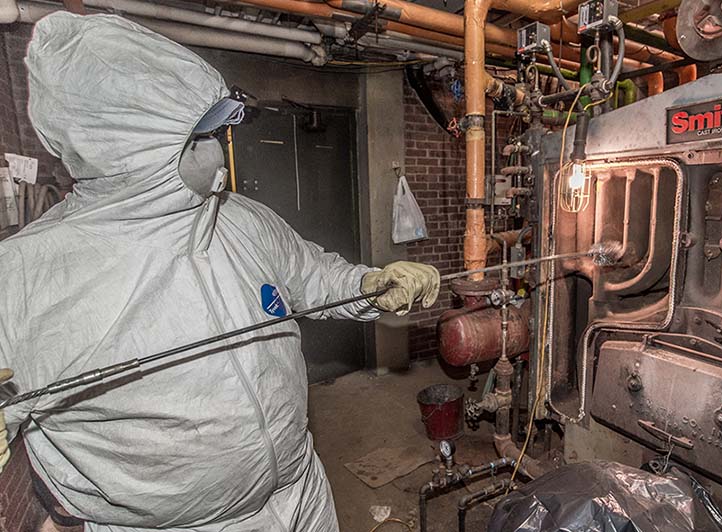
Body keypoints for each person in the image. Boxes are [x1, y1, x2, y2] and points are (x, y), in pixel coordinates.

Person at [0, 11, 439, 532]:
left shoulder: (241, 219)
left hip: (301, 495)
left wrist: (369, 286)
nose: (223, 153)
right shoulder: (23, 278)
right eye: (203, 138)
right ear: (140, 149)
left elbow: (313, 276)